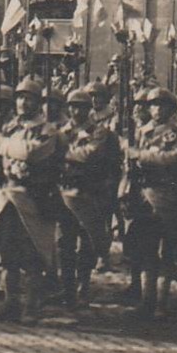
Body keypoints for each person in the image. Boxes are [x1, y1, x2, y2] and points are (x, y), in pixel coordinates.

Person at [0, 76, 62, 325]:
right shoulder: (9, 127)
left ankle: (32, 306)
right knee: (7, 254)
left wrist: (2, 143)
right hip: (7, 196)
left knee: (33, 255)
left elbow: (32, 153)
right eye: (19, 97)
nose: (22, 102)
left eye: (28, 98)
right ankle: (10, 303)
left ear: (38, 102)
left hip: (33, 199)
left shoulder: (47, 131)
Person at [125, 87, 177, 320]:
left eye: (161, 105)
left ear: (171, 109)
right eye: (153, 105)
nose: (156, 109)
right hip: (145, 195)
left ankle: (161, 302)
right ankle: (147, 300)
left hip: (170, 195)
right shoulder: (142, 131)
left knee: (168, 251)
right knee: (146, 250)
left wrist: (142, 156)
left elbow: (176, 156)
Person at [57, 86, 119, 312]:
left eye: (81, 107)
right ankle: (68, 288)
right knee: (64, 243)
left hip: (89, 193)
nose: (76, 112)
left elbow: (89, 154)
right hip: (65, 193)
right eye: (72, 107)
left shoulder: (98, 132)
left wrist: (62, 153)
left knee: (86, 245)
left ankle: (83, 287)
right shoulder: (62, 131)